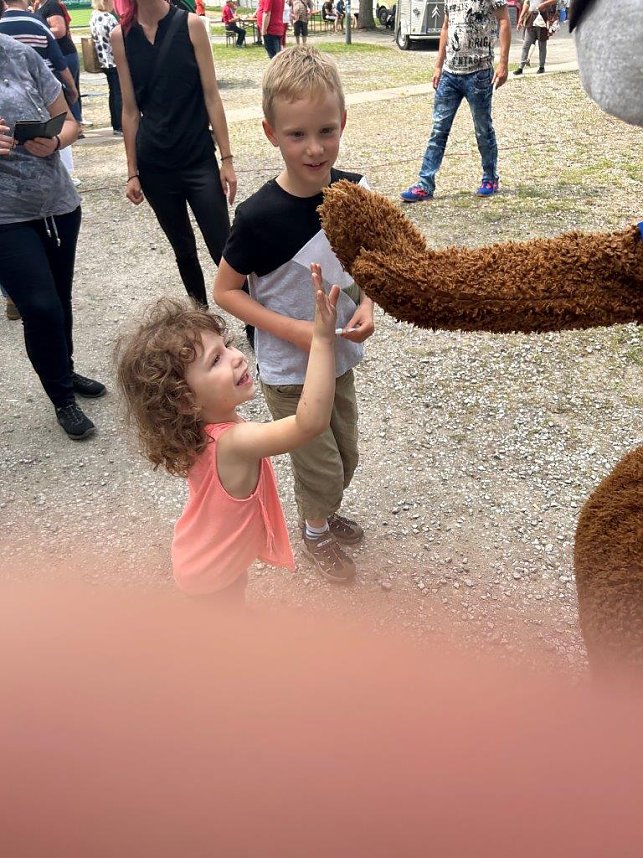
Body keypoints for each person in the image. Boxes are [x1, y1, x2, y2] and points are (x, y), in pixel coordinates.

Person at [214, 46, 375, 584]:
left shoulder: (353, 194)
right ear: (269, 132)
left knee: (344, 454)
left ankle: (323, 507)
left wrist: (368, 304)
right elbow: (225, 291)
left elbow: (371, 265)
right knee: (319, 462)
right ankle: (315, 528)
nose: (314, 148)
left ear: (343, 122)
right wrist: (300, 333)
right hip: (288, 368)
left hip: (340, 359)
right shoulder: (257, 217)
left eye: (326, 131)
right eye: (296, 135)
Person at [116, 267, 340, 601]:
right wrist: (321, 340)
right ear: (185, 399)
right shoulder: (233, 443)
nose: (237, 358)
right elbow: (309, 423)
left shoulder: (196, 431)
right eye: (216, 360)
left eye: (228, 346)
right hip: (211, 575)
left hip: (205, 560)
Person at [0, 33, 106, 440]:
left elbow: (71, 120)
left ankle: (64, 369)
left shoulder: (20, 55)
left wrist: (56, 140)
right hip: (6, 218)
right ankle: (61, 397)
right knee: (40, 307)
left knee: (60, 300)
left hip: (58, 205)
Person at [111, 0, 237, 308]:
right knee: (183, 250)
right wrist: (132, 171)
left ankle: (252, 322)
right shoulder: (121, 36)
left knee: (223, 246)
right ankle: (201, 318)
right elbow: (129, 111)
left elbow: (212, 96)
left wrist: (227, 158)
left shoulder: (191, 25)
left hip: (198, 158)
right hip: (154, 164)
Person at [400, 0, 510, 202]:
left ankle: (490, 178)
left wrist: (503, 63)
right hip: (450, 75)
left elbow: (503, 21)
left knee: (483, 129)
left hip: (479, 72)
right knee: (438, 130)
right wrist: (438, 66)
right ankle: (425, 184)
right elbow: (446, 27)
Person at [0, 0, 79, 107]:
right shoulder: (37, 22)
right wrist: (71, 87)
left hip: (9, 89)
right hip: (41, 87)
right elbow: (58, 59)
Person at [34, 0, 84, 125]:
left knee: (67, 90)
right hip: (58, 54)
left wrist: (39, 32)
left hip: (64, 53)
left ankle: (75, 123)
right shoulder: (42, 6)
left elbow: (60, 30)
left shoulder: (51, 5)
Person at [89, 0, 122, 134]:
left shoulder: (94, 17)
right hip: (114, 60)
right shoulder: (109, 18)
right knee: (119, 94)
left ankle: (116, 124)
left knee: (113, 93)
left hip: (104, 60)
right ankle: (120, 124)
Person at [513, 0, 559, 75]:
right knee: (526, 44)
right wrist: (521, 18)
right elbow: (527, 3)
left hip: (543, 17)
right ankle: (521, 67)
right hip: (531, 17)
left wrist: (544, 4)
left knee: (542, 45)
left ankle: (541, 66)